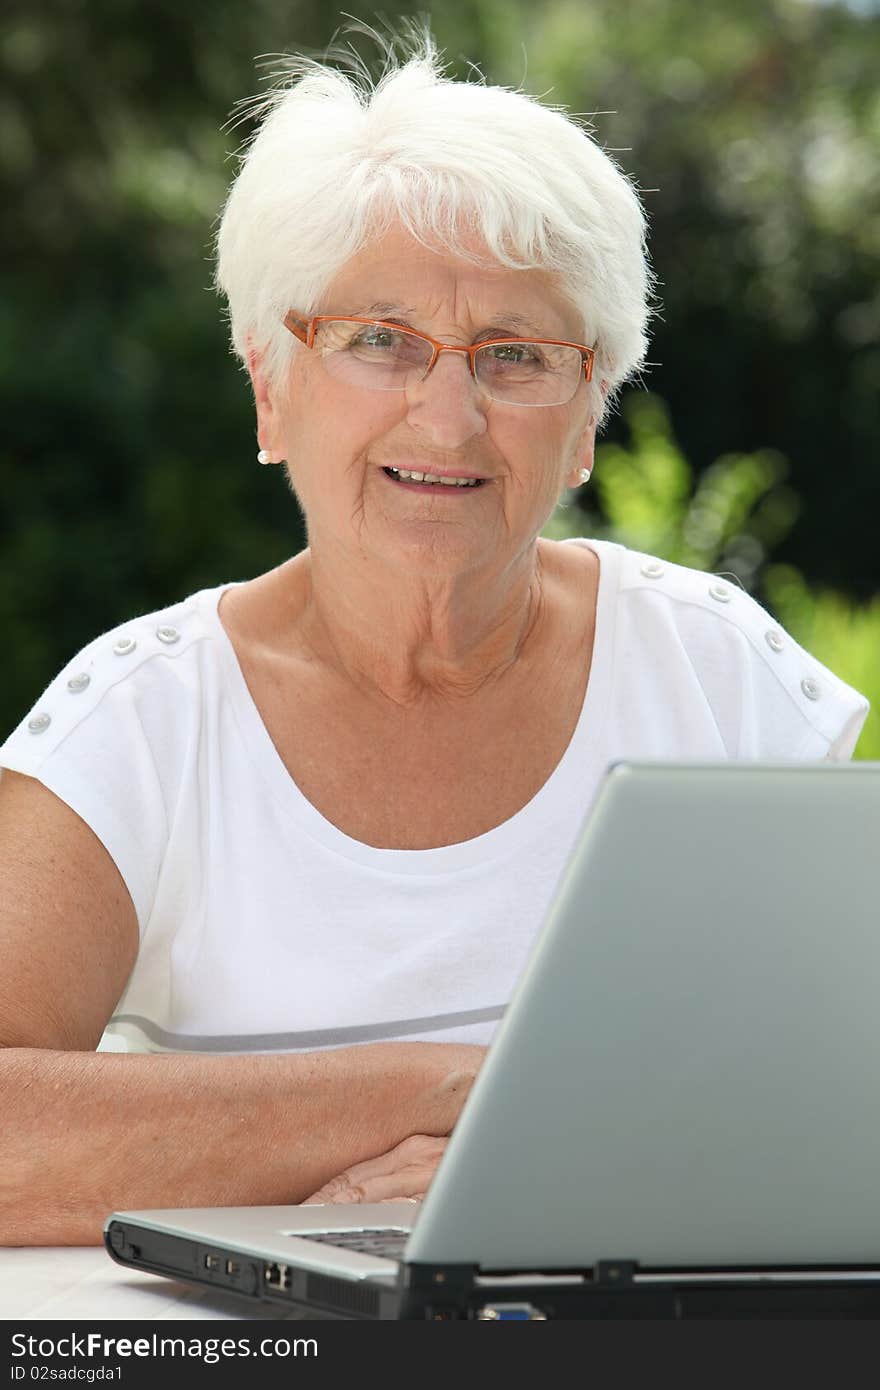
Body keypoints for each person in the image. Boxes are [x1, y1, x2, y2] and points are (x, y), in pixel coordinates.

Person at [0, 35, 869, 1247]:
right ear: (270, 386)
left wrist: (525, 1162)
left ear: (586, 418)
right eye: (378, 339)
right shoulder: (141, 720)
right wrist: (435, 1093)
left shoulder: (711, 670)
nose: (448, 413)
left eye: (517, 356)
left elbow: (840, 1087)